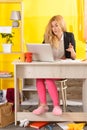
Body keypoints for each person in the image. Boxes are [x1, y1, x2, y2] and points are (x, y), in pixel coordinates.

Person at [32, 15, 76, 116]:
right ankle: (43, 105)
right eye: (52, 26)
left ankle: (56, 106)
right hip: (50, 68)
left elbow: (73, 57)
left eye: (56, 25)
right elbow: (41, 51)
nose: (54, 28)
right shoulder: (48, 37)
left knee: (47, 78)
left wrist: (72, 51)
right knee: (39, 78)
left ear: (61, 25)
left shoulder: (69, 36)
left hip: (62, 69)